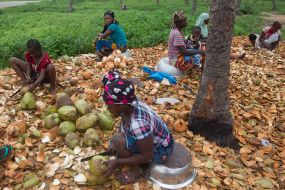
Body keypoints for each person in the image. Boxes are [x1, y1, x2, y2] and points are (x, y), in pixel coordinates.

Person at [101, 71, 174, 184]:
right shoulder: (129, 104)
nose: (107, 108)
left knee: (118, 141)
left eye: (109, 105)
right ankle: (127, 155)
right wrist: (116, 146)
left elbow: (147, 155)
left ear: (122, 105)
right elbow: (124, 125)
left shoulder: (137, 123)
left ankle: (136, 169)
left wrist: (118, 162)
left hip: (161, 150)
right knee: (117, 141)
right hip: (150, 139)